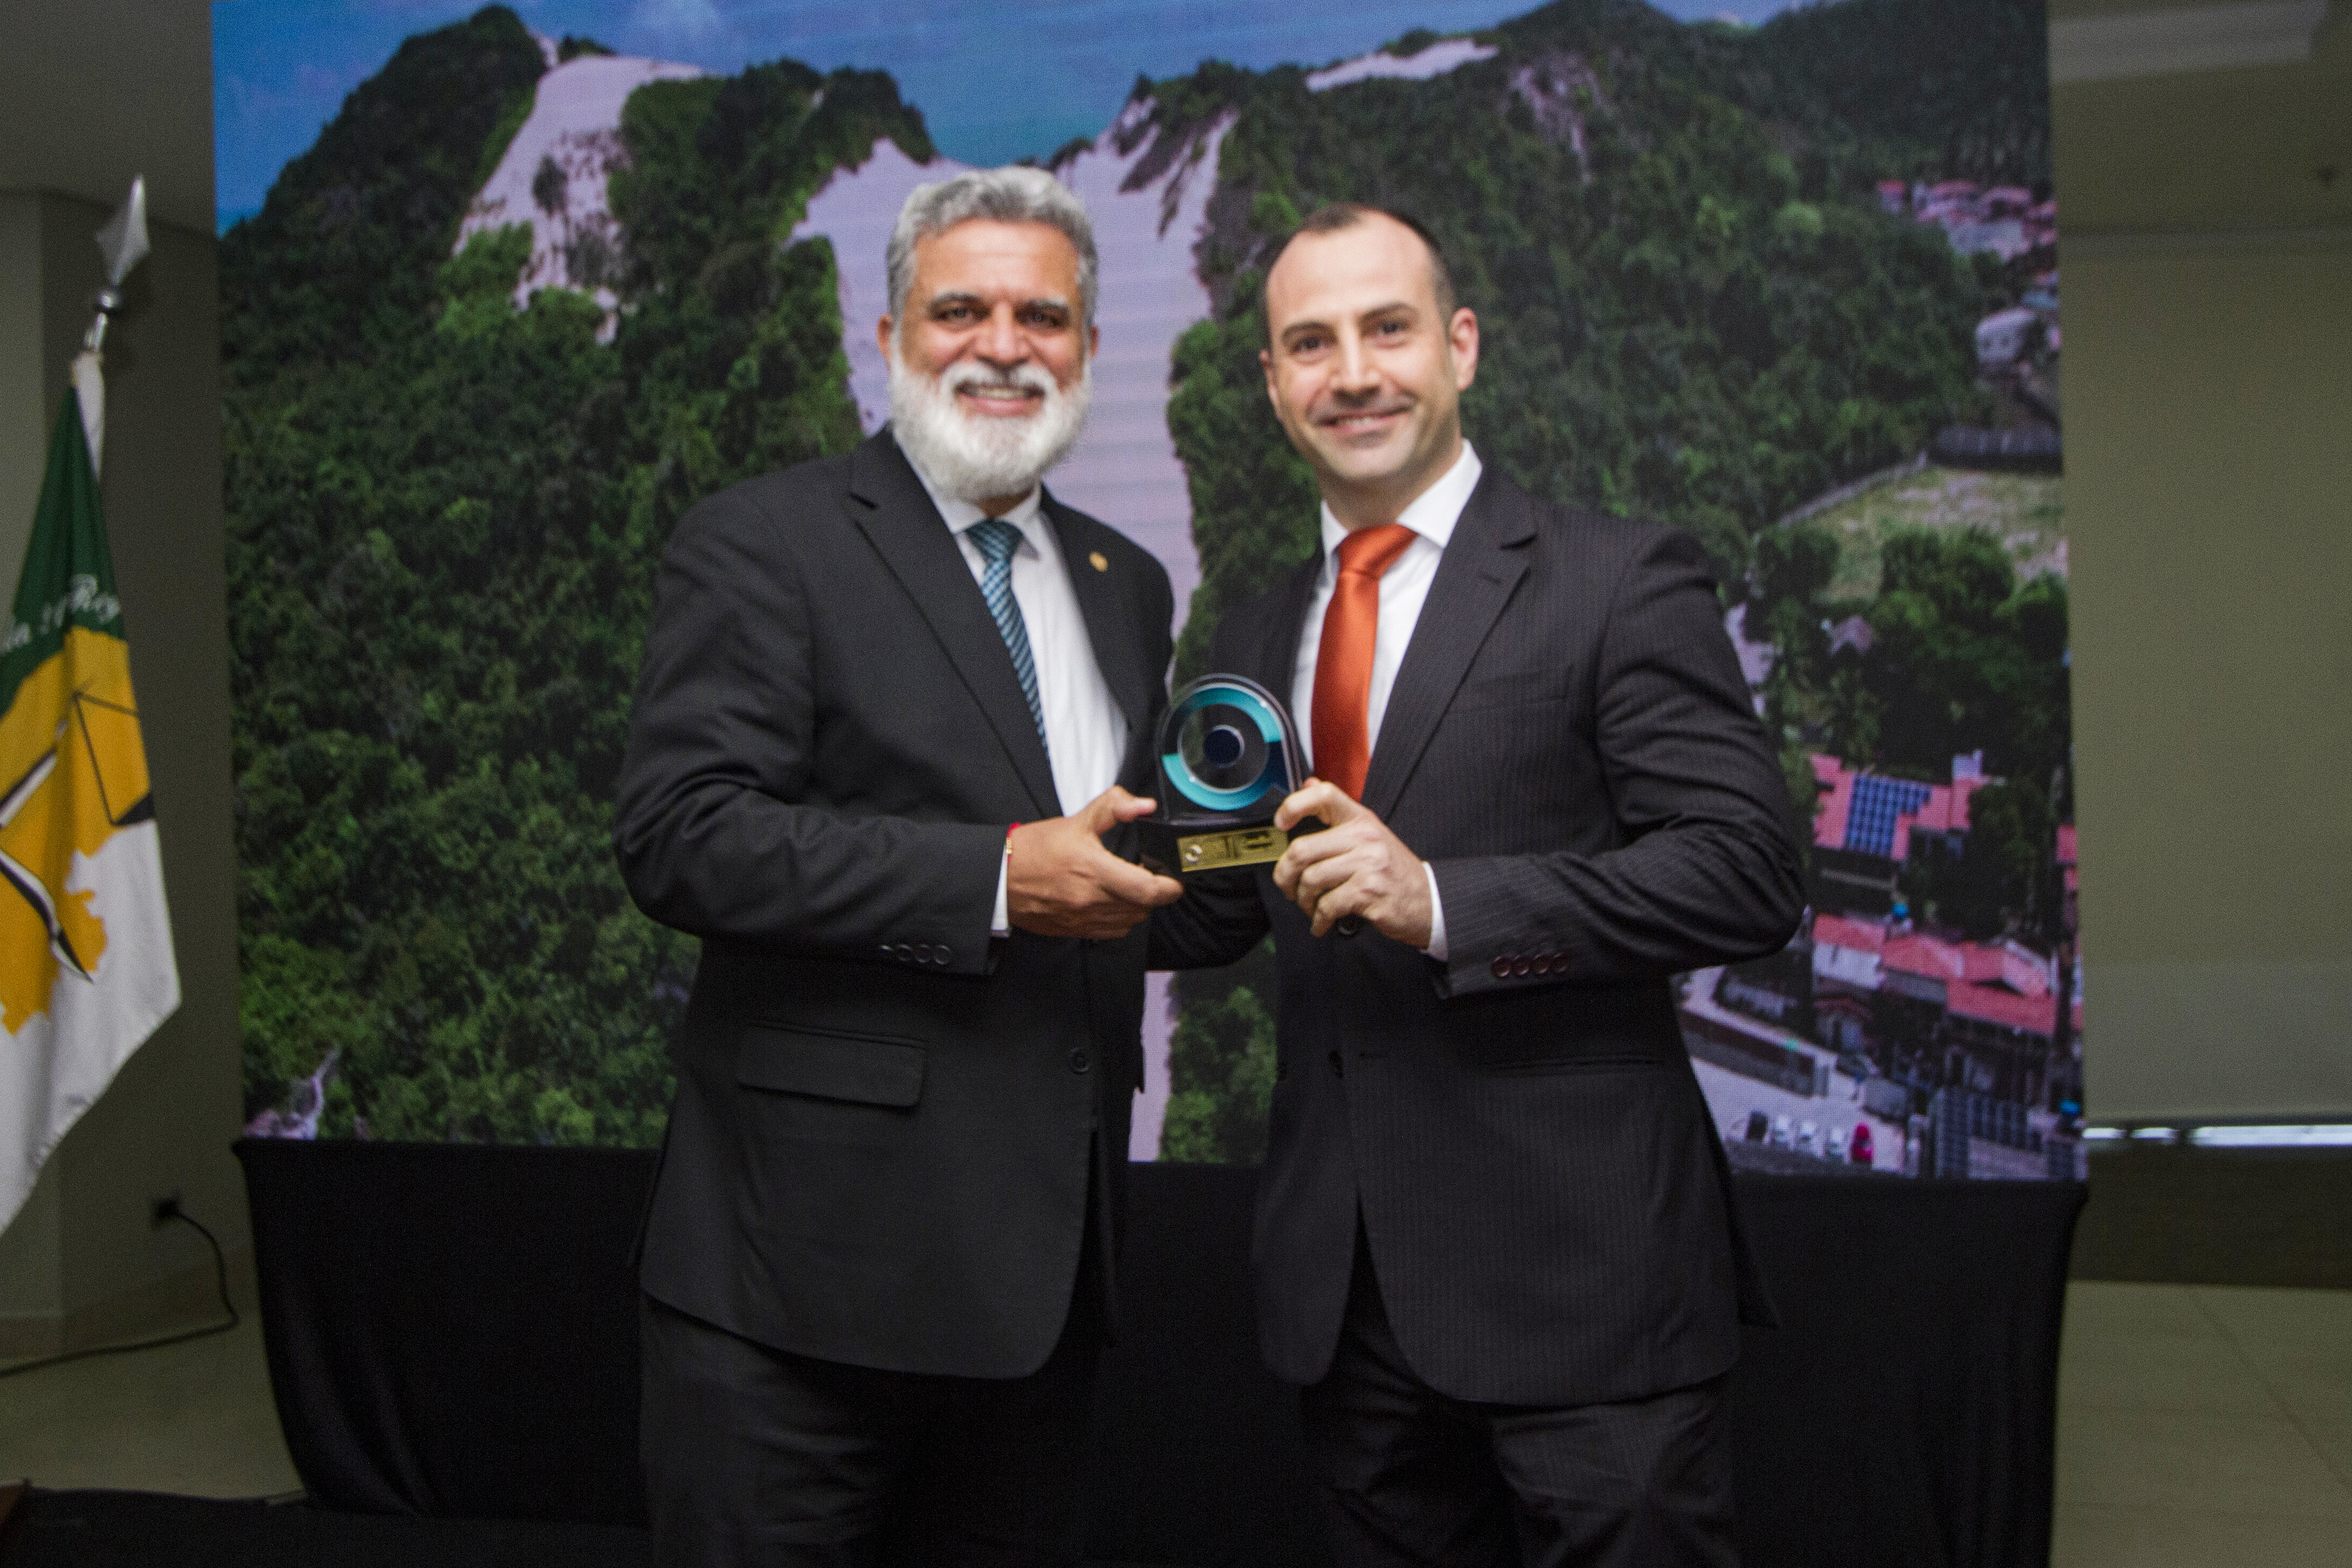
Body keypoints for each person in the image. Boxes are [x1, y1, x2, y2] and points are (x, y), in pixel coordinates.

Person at [1149, 204, 1807, 1566]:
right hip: (1349, 1301)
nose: (1354, 371)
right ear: (1273, 384)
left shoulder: (1621, 578)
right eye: (1310, 342)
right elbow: (1223, 894)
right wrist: (1044, 869)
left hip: (1587, 1287)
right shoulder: (1258, 632)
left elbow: (1745, 870)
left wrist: (1442, 900)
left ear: (1459, 347)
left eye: (1387, 328)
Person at [614, 166, 1182, 1567]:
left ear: (1088, 351)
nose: (1002, 344)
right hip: (802, 1292)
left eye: (1041, 315)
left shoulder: (1126, 580)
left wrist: (1255, 861)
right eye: (959, 309)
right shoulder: (765, 540)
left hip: (1040, 1291)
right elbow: (683, 833)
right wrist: (993, 878)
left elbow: (1112, 863)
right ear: (887, 339)